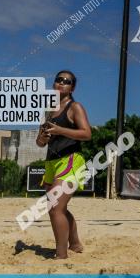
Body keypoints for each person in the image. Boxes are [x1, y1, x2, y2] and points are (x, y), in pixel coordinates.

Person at [36, 70, 92, 259]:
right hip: (51, 162)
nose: (61, 83)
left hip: (70, 160)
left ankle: (61, 256)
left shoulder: (75, 107)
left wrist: (61, 130)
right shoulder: (49, 111)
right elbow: (40, 143)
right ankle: (75, 243)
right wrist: (43, 137)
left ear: (72, 87)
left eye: (66, 81)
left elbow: (87, 134)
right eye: (58, 80)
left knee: (55, 208)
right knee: (60, 208)